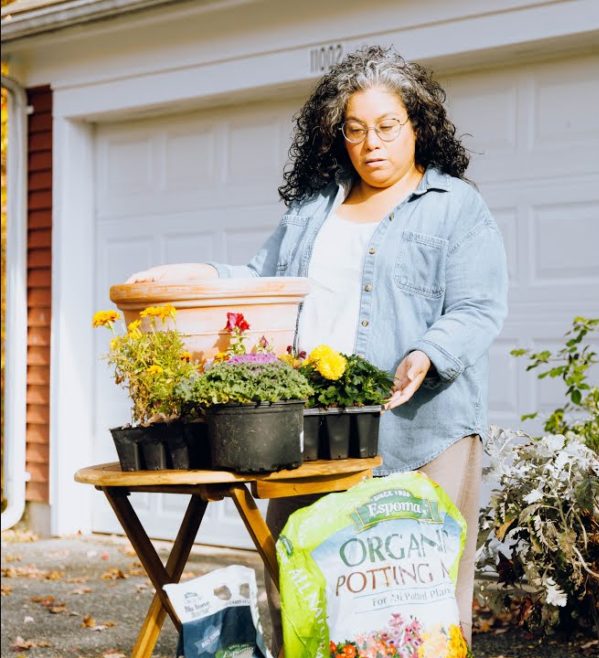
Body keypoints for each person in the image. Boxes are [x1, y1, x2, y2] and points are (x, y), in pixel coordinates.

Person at [127, 45, 508, 650]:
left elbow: (478, 306)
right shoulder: (312, 211)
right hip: (312, 430)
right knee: (299, 576)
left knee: (420, 595)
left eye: (387, 127)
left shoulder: (455, 207)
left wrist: (429, 352)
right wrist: (196, 272)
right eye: (355, 130)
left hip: (421, 430)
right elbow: (260, 277)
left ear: (418, 126)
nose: (371, 144)